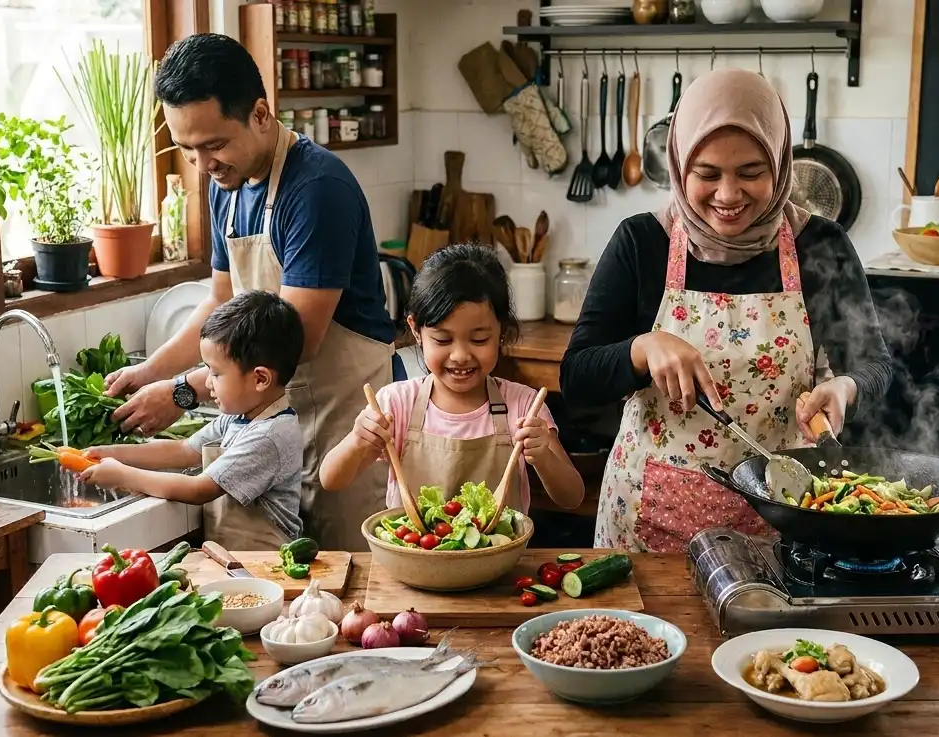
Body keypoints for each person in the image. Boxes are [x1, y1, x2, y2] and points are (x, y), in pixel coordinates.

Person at [560, 68, 893, 553]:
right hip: (650, 521)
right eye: (707, 174)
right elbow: (577, 378)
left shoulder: (820, 246)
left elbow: (876, 366)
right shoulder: (642, 243)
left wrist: (846, 387)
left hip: (783, 515)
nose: (729, 195)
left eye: (752, 173)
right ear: (679, 165)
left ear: (780, 165)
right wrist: (641, 349)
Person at [103, 34, 399, 551]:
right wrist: (151, 371)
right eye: (187, 148)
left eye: (214, 144)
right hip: (268, 425)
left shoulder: (316, 189)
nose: (203, 164)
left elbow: (296, 340)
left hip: (342, 424)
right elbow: (220, 303)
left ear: (260, 113)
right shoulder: (227, 186)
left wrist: (183, 391)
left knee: (350, 593)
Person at [320, 244, 585, 514]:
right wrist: (357, 440)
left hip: (501, 556)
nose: (460, 355)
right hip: (412, 556)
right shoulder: (397, 403)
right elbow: (330, 480)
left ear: (502, 331)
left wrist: (543, 457)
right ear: (416, 330)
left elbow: (572, 496)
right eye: (443, 339)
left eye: (479, 339)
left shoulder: (523, 406)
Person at [80, 291, 305, 550]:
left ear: (260, 379)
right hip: (236, 556)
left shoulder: (270, 435)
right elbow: (184, 450)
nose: (207, 383)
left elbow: (200, 489)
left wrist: (122, 475)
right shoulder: (239, 417)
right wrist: (109, 454)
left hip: (269, 562)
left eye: (216, 373)